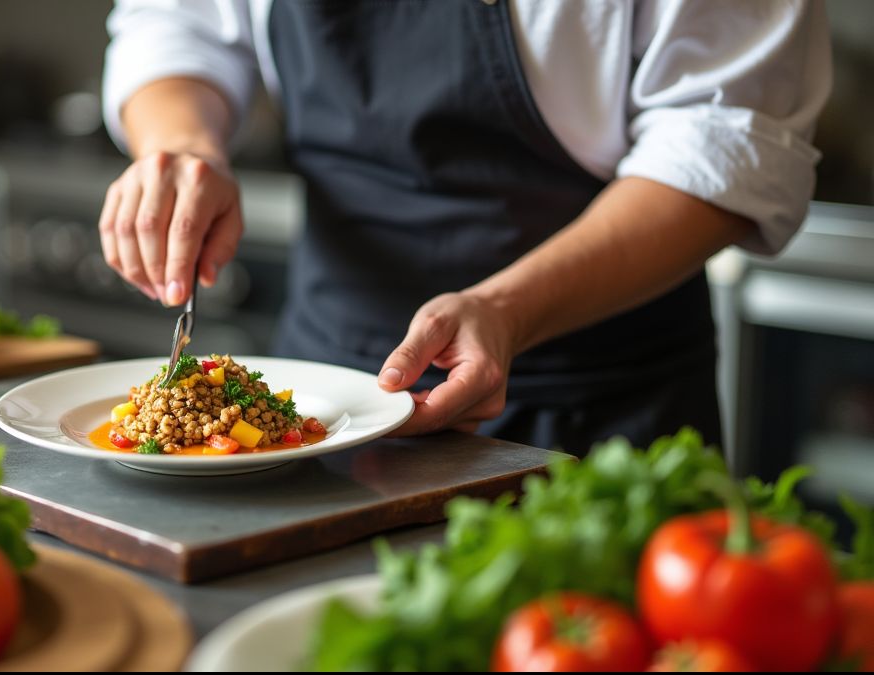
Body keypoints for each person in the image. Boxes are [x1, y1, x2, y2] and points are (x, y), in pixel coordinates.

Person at [96, 0, 831, 455]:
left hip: (598, 408)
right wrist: (182, 146)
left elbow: (724, 140)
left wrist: (505, 311)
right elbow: (176, 24)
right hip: (322, 401)